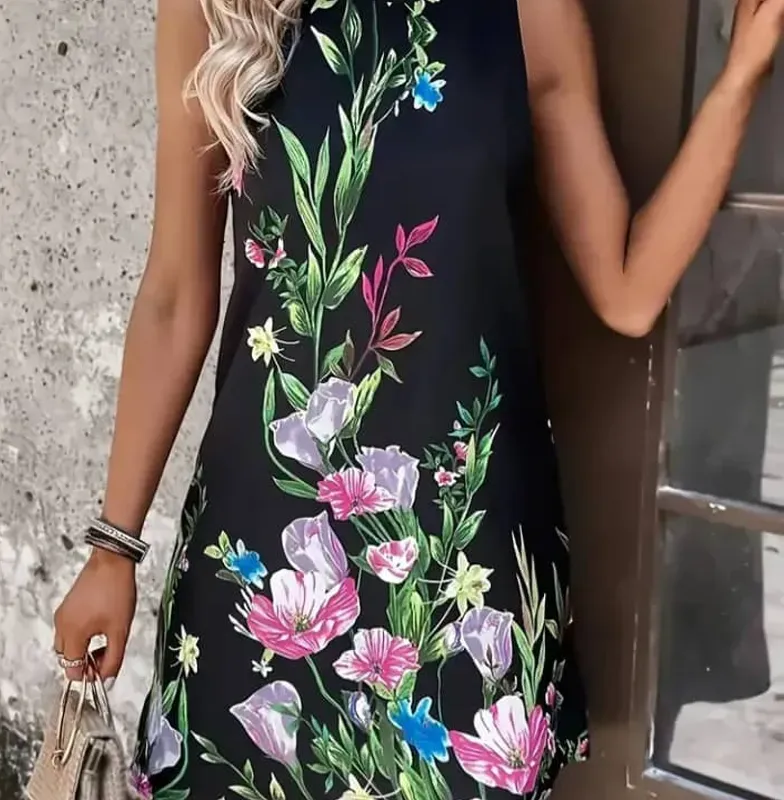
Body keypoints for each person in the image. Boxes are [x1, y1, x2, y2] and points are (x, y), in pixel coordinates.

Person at [52, 0, 784, 797]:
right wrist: (113, 549)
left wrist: (740, 77)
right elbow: (173, 296)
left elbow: (628, 290)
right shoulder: (217, 11)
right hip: (263, 563)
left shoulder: (529, 11)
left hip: (463, 578)